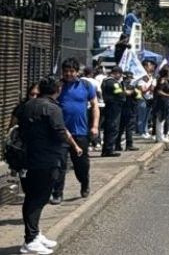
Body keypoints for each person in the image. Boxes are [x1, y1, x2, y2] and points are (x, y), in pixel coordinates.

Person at [16, 77, 85, 255]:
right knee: (37, 198)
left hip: (29, 157)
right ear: (57, 90)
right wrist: (68, 145)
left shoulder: (27, 106)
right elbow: (59, 131)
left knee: (33, 196)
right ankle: (30, 240)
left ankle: (35, 234)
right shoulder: (52, 108)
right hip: (46, 158)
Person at [52, 58, 98, 205]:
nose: (69, 74)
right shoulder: (57, 86)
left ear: (77, 72)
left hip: (80, 132)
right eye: (66, 71)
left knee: (81, 165)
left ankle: (84, 183)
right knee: (60, 164)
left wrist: (95, 126)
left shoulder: (86, 85)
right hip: (61, 132)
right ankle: (57, 193)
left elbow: (95, 106)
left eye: (72, 71)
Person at [99, 66, 124, 157]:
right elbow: (120, 94)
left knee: (108, 128)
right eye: (120, 74)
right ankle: (109, 150)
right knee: (113, 128)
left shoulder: (105, 81)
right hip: (114, 107)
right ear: (116, 73)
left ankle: (106, 149)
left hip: (109, 106)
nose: (120, 76)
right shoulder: (113, 83)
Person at [116, 72, 140, 152]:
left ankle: (117, 145)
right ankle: (129, 145)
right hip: (129, 110)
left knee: (121, 128)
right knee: (128, 128)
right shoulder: (129, 86)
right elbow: (138, 96)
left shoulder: (120, 85)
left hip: (123, 110)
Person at [152, 67, 169, 144]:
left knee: (163, 119)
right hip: (161, 102)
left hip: (166, 102)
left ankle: (161, 135)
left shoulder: (167, 80)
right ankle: (159, 137)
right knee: (160, 119)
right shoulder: (162, 80)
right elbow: (159, 91)